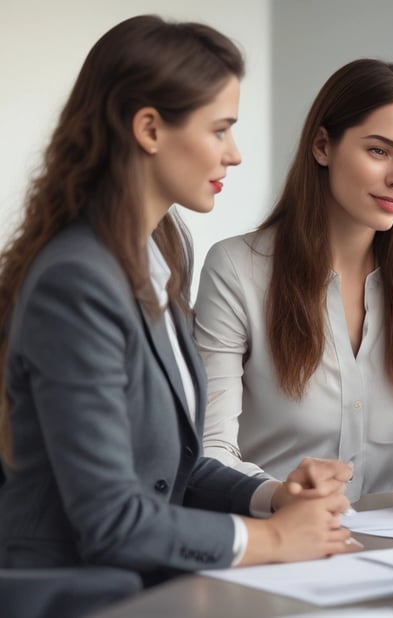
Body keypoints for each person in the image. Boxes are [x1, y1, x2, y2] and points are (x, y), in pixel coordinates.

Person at [0, 15, 360, 588]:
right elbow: (111, 518)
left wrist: (272, 497)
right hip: (74, 595)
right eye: (220, 130)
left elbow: (170, 471)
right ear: (149, 128)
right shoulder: (77, 282)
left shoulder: (160, 256)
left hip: (149, 586)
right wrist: (270, 540)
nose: (234, 154)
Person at [194, 58, 393, 517]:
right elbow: (207, 450)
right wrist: (281, 497)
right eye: (378, 151)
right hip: (270, 541)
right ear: (322, 146)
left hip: (388, 546)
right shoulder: (236, 268)